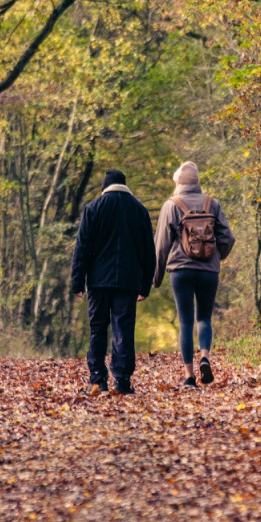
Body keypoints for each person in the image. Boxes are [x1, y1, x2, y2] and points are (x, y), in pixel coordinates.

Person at [71, 169, 156, 396]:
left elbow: (82, 248)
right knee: (123, 329)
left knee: (98, 328)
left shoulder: (94, 208)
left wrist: (77, 282)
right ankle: (122, 380)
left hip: (98, 281)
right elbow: (149, 252)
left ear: (105, 187)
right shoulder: (139, 210)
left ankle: (98, 379)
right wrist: (145, 285)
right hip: (128, 282)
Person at [153, 161, 235, 388]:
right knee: (204, 318)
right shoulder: (212, 203)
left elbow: (160, 246)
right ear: (196, 181)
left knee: (186, 321)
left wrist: (155, 278)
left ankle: (189, 376)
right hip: (209, 270)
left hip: (180, 271)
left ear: (178, 182)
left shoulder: (171, 205)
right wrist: (216, 258)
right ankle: (205, 357)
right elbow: (228, 238)